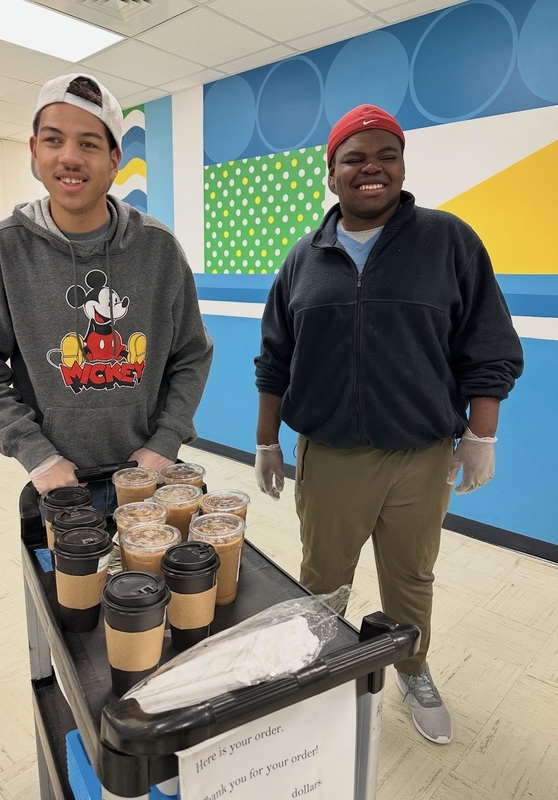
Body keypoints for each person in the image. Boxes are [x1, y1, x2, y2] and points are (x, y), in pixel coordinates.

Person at [254, 104, 523, 744]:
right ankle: (314, 668)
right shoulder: (305, 258)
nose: (371, 168)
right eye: (354, 157)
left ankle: (413, 665)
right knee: (322, 577)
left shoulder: (447, 241)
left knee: (411, 575)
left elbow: (487, 345)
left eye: (386, 156)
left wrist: (480, 435)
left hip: (423, 454)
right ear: (331, 174)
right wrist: (268, 440)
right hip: (331, 455)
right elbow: (274, 359)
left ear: (401, 166)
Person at [0, 73, 213, 516]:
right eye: (54, 140)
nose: (70, 157)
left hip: (150, 472)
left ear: (115, 161)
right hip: (59, 481)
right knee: (65, 587)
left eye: (89, 144)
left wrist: (165, 443)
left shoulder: (159, 248)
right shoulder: (1, 250)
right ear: (35, 152)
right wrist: (38, 455)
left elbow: (191, 355)